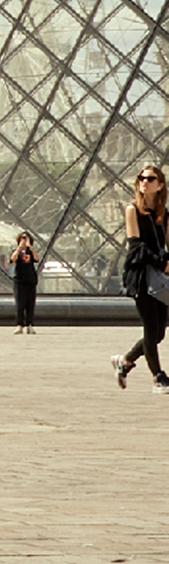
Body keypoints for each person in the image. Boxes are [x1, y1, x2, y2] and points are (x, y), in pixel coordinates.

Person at [113, 165, 169, 394]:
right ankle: (159, 377)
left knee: (159, 332)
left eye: (150, 178)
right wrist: (162, 262)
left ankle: (125, 360)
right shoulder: (132, 210)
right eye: (141, 178)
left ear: (160, 185)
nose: (144, 182)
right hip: (140, 275)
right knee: (150, 328)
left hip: (161, 276)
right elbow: (135, 246)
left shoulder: (164, 214)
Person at [9, 232, 39, 333]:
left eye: (26, 238)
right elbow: (12, 259)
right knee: (20, 303)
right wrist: (19, 248)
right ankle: (19, 324)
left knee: (30, 303)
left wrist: (30, 247)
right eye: (22, 238)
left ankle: (30, 324)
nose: (24, 240)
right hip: (19, 280)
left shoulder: (31, 252)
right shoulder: (16, 251)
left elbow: (36, 258)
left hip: (31, 280)